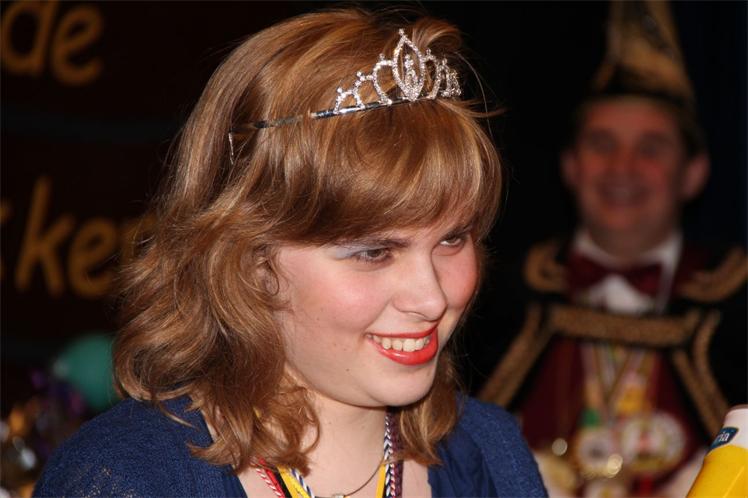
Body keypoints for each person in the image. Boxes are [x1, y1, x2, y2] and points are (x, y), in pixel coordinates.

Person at [33, 8, 546, 498]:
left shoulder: (494, 454)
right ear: (248, 261)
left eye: (452, 239)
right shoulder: (126, 479)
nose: (432, 298)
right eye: (374, 252)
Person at [476, 2, 747, 497]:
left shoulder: (740, 303)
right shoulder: (496, 297)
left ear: (693, 173)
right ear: (571, 166)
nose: (622, 167)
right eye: (602, 144)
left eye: (650, 148)